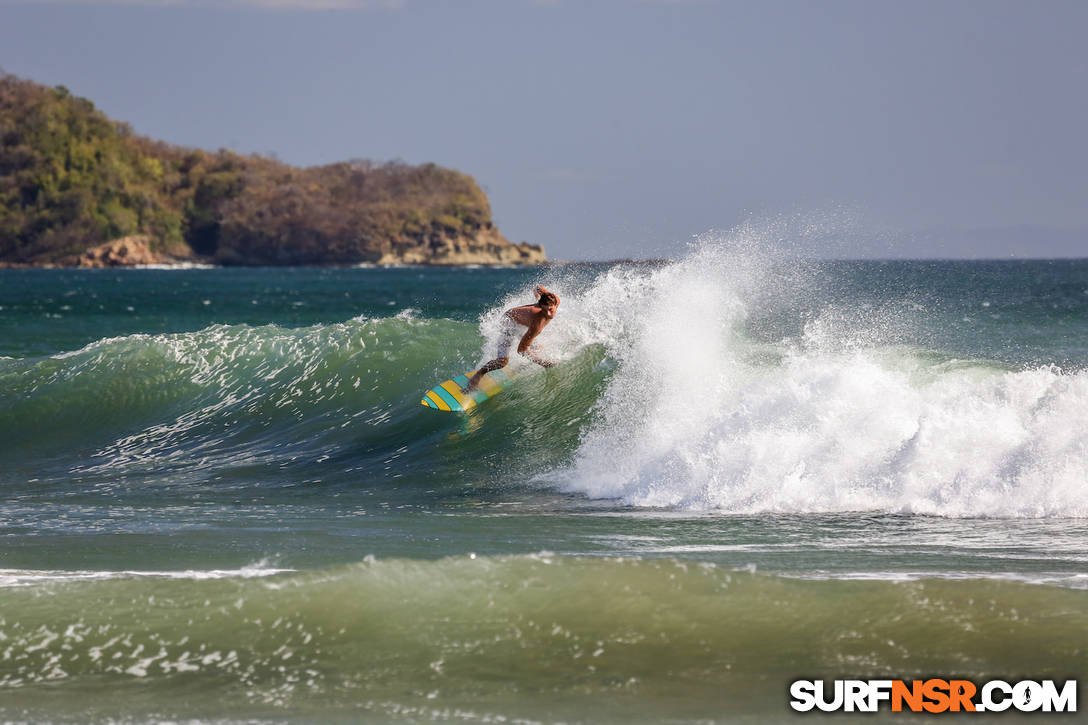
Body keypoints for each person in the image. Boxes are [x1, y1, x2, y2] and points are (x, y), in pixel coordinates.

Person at [463, 285, 559, 392]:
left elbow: (538, 288)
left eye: (550, 309)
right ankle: (478, 375)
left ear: (555, 303)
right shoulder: (537, 324)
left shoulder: (554, 298)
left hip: (523, 321)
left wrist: (537, 294)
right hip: (509, 322)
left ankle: (520, 366)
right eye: (544, 310)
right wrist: (542, 363)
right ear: (541, 307)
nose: (549, 314)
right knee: (502, 362)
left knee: (537, 347)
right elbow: (521, 350)